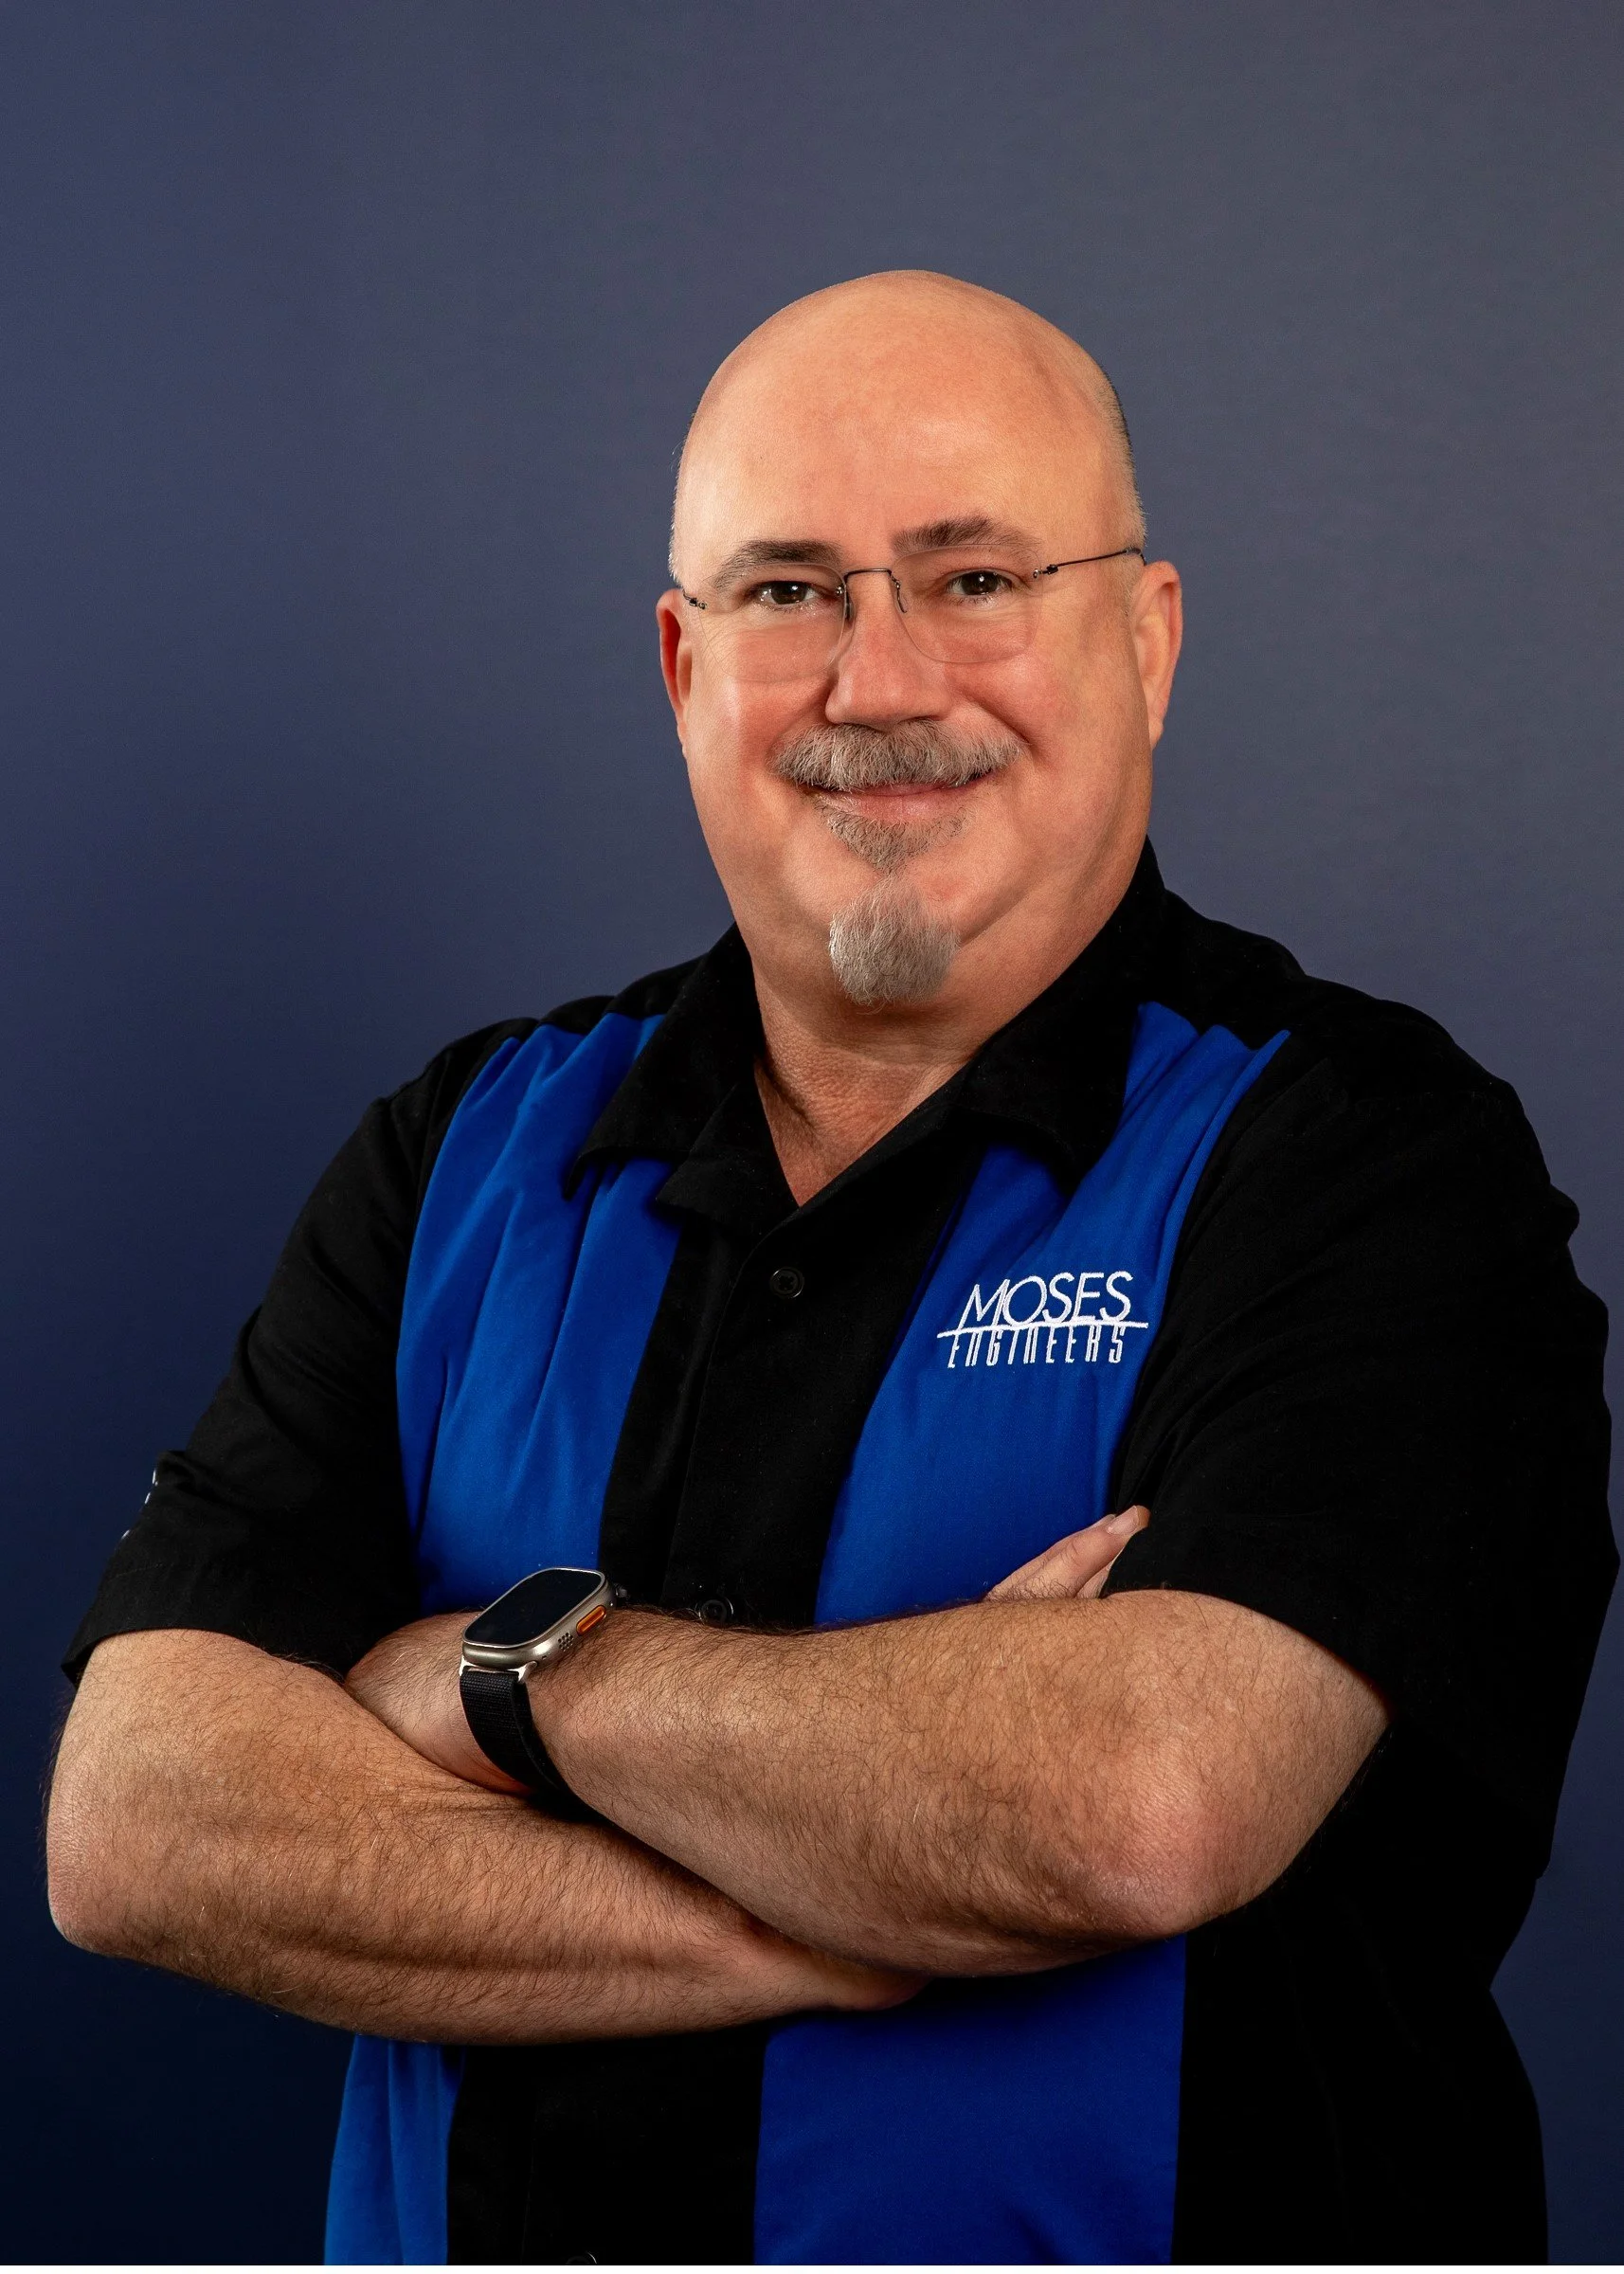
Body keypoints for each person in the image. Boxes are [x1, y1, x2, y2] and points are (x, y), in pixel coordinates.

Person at [47, 270, 1613, 2266]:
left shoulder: (1368, 1165)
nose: (879, 685)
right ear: (680, 667)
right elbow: (137, 1823)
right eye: (789, 593)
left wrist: (496, 1675)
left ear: (1141, 638)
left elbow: (1127, 1805)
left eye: (971, 579)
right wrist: (855, 1904)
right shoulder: (462, 1155)